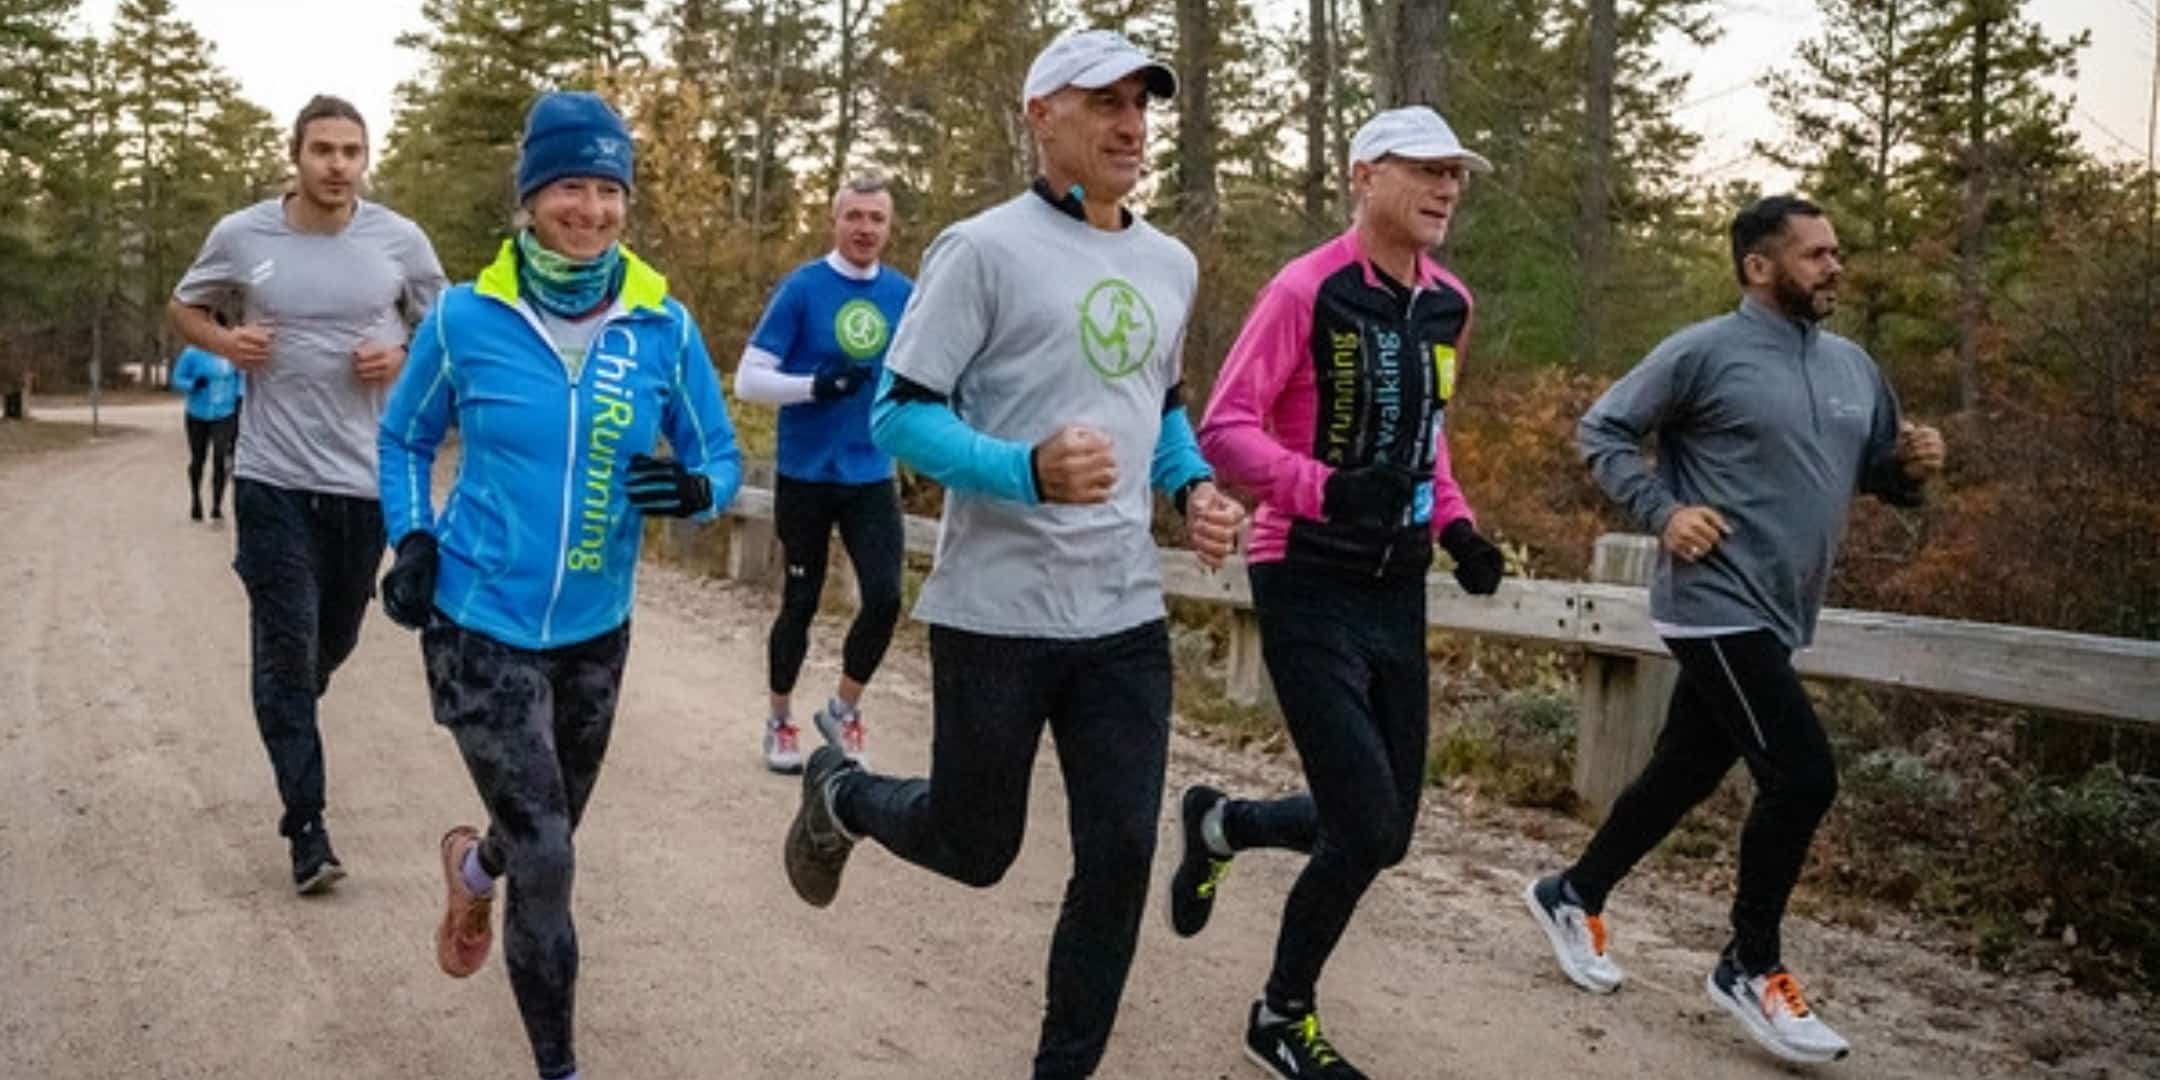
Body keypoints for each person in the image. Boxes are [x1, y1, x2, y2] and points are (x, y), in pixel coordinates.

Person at [779, 29, 1244, 1080]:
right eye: (1104, 102)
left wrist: (1195, 489)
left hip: (1121, 618)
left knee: (1121, 854)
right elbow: (898, 416)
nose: (1131, 123)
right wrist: (1024, 470)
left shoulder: (1170, 261)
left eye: (1142, 104)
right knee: (978, 849)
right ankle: (842, 794)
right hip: (997, 614)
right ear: (1043, 115)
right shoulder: (980, 249)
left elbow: (1159, 410)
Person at [1521, 194, 1946, 1066]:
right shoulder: (1702, 353)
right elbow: (1601, 431)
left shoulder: (1854, 367)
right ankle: (1750, 964)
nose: (1836, 266)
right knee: (1801, 775)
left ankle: (1573, 890)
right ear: (1759, 267)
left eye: (1837, 251)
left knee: (1685, 768)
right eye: (1815, 254)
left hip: (1784, 608)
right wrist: (1663, 511)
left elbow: (1866, 473)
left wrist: (1909, 470)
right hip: (1713, 600)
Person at [376, 90, 743, 1080]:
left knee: (546, 831)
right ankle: (559, 1068)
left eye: (608, 188)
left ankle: (471, 868)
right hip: (477, 621)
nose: (590, 210)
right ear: (531, 199)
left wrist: (700, 488)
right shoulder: (465, 316)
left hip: (595, 630)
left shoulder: (662, 324)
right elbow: (406, 436)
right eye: (569, 187)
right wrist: (411, 539)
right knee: (552, 856)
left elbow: (722, 455)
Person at [1177, 106, 1508, 1080]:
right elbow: (1225, 429)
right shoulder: (1303, 290)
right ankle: (1282, 1015)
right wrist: (1326, 490)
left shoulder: (1450, 301)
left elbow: (1424, 435)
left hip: (1397, 586)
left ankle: (1222, 825)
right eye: (1425, 171)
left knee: (1388, 830)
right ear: (1365, 175)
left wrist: (1456, 524)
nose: (1447, 189)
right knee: (1362, 821)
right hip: (1306, 573)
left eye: (1456, 174)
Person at [169, 93, 446, 894]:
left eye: (351, 152)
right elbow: (183, 306)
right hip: (270, 477)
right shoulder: (243, 236)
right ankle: (308, 827)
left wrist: (399, 353)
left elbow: (446, 327)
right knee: (289, 650)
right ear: (295, 154)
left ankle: (288, 694)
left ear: (366, 159)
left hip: (363, 482)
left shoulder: (398, 241)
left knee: (333, 641)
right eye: (322, 149)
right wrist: (224, 340)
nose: (336, 165)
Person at [732, 175, 913, 772]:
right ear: (835, 221)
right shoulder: (804, 289)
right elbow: (749, 379)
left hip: (871, 471)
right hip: (806, 472)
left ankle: (842, 708)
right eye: (854, 216)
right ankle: (780, 720)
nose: (865, 228)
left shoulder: (906, 296)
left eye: (876, 219)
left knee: (885, 597)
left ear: (889, 227)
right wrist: (814, 385)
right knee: (801, 600)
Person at [170, 321, 245, 522]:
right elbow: (177, 378)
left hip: (224, 414)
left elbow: (241, 378)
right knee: (198, 459)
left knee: (220, 458)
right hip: (197, 414)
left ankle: (217, 506)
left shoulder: (231, 354)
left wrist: (239, 398)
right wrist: (193, 384)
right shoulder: (192, 353)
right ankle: (196, 500)